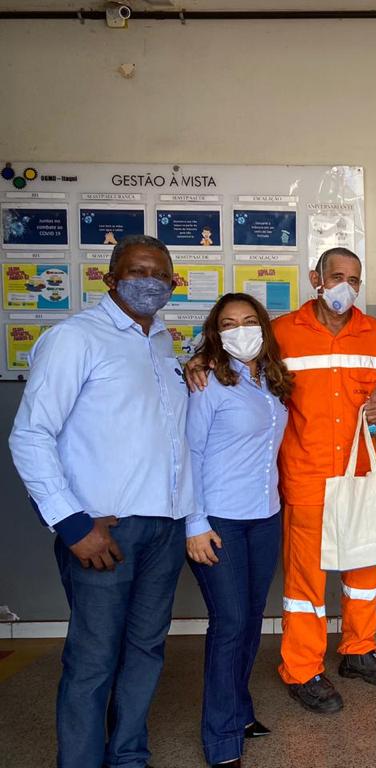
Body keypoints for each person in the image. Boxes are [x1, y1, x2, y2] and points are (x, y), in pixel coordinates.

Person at [187, 247, 376, 716]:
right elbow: (236, 357)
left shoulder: (374, 332)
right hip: (304, 476)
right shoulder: (282, 332)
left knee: (365, 569)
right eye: (337, 276)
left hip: (359, 474)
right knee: (306, 582)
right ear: (315, 279)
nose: (346, 286)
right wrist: (198, 360)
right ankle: (302, 669)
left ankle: (359, 648)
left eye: (354, 279)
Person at [10, 234, 191, 768]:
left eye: (160, 274)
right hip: (102, 531)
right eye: (137, 271)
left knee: (146, 650)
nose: (150, 282)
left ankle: (128, 755)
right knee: (92, 660)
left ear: (174, 283)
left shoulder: (164, 344)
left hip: (165, 527)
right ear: (109, 278)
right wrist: (71, 523)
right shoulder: (75, 338)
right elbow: (31, 434)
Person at [185, 293, 292, 767]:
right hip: (219, 520)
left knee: (249, 621)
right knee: (229, 623)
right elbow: (189, 453)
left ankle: (240, 711)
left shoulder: (272, 379)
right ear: (216, 332)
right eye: (228, 324)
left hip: (265, 516)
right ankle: (221, 739)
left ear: (264, 328)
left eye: (249, 321)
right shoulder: (206, 381)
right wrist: (194, 523)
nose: (240, 330)